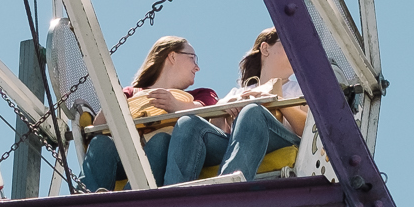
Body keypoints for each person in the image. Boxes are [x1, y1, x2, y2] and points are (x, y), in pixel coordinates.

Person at [152, 27, 306, 186]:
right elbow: (218, 131)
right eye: (289, 43)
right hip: (238, 146)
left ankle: (227, 188)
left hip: (282, 140)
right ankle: (175, 194)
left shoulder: (301, 89)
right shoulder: (237, 92)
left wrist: (277, 102)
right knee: (187, 123)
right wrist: (223, 110)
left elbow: (307, 129)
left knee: (252, 111)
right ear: (265, 48)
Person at [77, 36, 219, 192]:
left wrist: (175, 105)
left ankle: (129, 200)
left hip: (166, 157)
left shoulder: (202, 93)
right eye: (193, 58)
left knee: (160, 141)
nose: (197, 67)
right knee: (101, 142)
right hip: (128, 157)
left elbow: (205, 111)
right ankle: (85, 201)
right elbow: (98, 126)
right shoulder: (131, 93)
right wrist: (116, 99)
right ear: (172, 56)